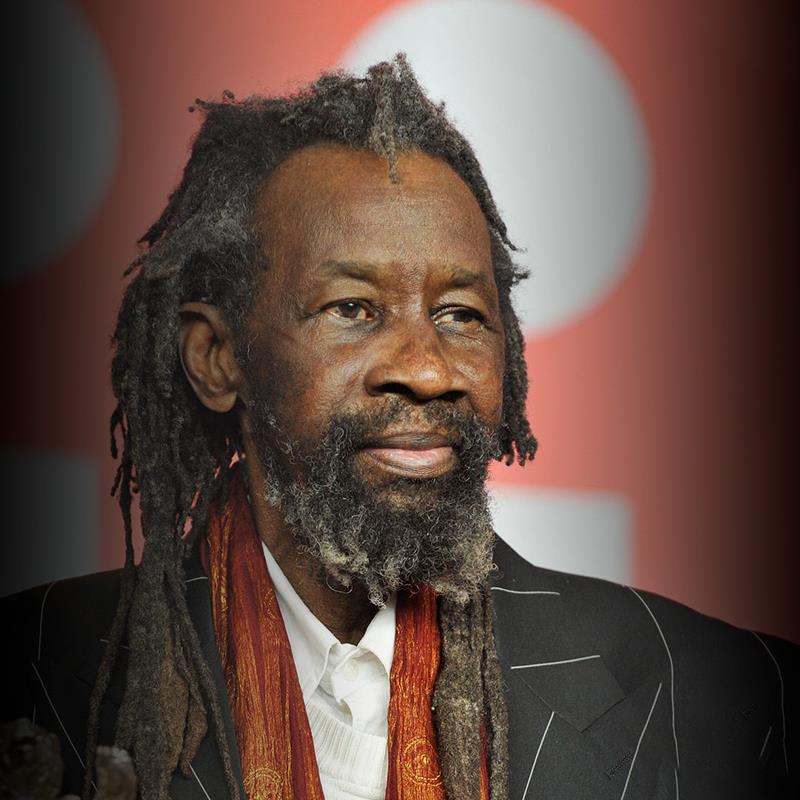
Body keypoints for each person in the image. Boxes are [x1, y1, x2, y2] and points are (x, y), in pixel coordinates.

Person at [1, 56, 796, 800]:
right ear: (217, 357)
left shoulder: (731, 697)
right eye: (353, 309)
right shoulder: (35, 672)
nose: (427, 369)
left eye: (461, 314)